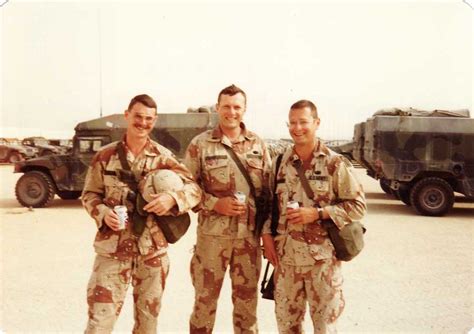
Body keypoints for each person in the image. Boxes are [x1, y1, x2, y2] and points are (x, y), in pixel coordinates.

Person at [82, 94, 202, 333]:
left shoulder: (163, 157)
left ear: (154, 121)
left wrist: (173, 198)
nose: (143, 123)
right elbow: (89, 195)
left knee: (147, 325)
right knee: (99, 323)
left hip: (152, 254)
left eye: (149, 118)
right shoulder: (105, 156)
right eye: (138, 116)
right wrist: (103, 213)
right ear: (127, 115)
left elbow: (195, 190)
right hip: (112, 253)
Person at [261, 99, 367, 333]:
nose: (297, 128)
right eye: (292, 123)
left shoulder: (334, 163)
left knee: (325, 328)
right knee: (288, 327)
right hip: (286, 261)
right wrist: (266, 235)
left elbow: (358, 206)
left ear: (317, 123)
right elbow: (269, 205)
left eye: (303, 122)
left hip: (322, 263)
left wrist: (318, 213)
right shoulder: (280, 163)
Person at [184, 84, 271, 333]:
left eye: (236, 107)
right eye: (226, 107)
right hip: (212, 241)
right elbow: (187, 189)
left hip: (248, 241)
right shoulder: (200, 145)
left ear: (244, 110)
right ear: (217, 108)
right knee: (204, 304)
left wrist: (265, 233)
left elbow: (268, 195)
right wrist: (215, 204)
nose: (231, 112)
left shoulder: (258, 145)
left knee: (247, 309)